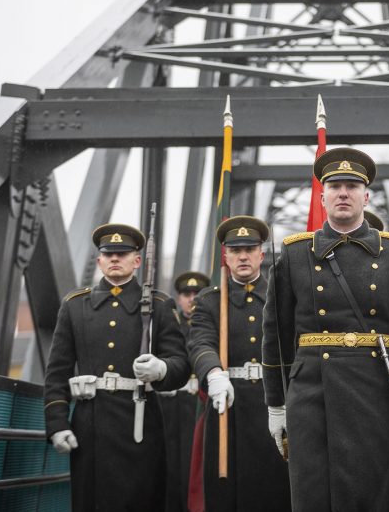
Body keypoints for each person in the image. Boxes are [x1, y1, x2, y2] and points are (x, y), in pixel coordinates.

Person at [263, 147, 389, 512]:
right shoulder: (295, 254)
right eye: (335, 186)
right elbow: (275, 337)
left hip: (377, 394)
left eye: (352, 186)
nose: (344, 193)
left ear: (366, 195)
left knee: (375, 496)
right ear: (322, 196)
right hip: (313, 399)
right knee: (315, 497)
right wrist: (276, 404)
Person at [44, 223, 190, 511]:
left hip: (140, 424)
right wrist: (56, 424)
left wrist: (161, 369)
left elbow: (181, 365)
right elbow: (57, 372)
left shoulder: (160, 305)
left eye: (122, 254)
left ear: (137, 261)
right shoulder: (75, 306)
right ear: (99, 260)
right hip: (90, 427)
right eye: (108, 254)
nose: (114, 259)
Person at [187, 216, 291, 512]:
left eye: (249, 249)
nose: (243, 256)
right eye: (235, 250)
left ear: (261, 254)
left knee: (275, 490)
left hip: (276, 404)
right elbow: (201, 342)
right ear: (226, 256)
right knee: (226, 493)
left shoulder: (283, 296)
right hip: (227, 406)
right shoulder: (209, 301)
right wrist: (213, 372)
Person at [163, 270, 210, 512]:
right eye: (185, 294)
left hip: (200, 402)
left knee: (197, 465)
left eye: (197, 293)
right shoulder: (169, 325)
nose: (191, 298)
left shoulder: (211, 322)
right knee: (171, 466)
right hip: (172, 405)